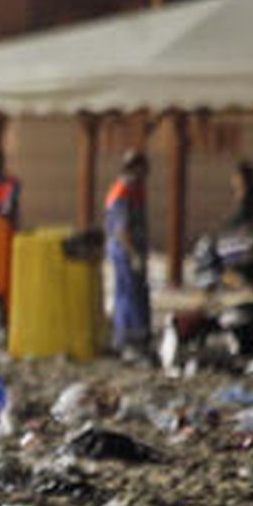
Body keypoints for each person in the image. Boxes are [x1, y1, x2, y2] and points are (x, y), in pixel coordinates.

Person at [105, 150, 152, 358]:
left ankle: (138, 336)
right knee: (128, 294)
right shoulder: (123, 191)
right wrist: (133, 254)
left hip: (132, 249)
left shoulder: (135, 189)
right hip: (125, 251)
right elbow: (121, 229)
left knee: (136, 292)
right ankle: (127, 339)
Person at [220, 160, 253, 290]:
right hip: (239, 240)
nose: (233, 180)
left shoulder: (252, 196)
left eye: (236, 177)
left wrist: (252, 228)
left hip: (248, 242)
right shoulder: (242, 195)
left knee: (247, 270)